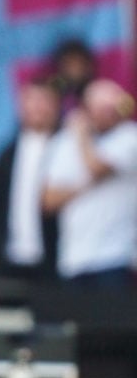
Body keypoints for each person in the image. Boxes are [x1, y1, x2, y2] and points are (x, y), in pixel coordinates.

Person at [42, 78, 137, 288]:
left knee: (113, 320)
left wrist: (82, 136)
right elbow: (48, 200)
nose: (109, 115)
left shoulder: (130, 137)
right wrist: (86, 185)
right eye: (102, 109)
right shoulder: (63, 143)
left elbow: (96, 167)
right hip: (73, 259)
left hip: (116, 255)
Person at [0, 78, 60, 283]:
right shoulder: (7, 155)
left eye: (43, 101)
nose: (36, 107)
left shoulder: (64, 145)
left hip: (54, 260)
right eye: (30, 101)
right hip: (11, 260)